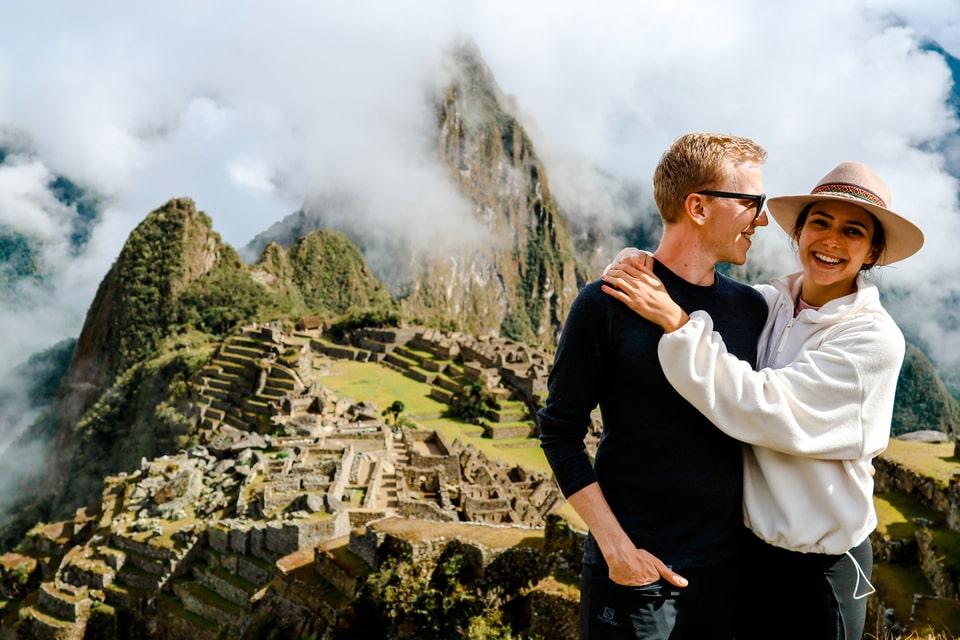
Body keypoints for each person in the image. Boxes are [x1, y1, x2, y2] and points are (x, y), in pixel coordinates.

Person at [600, 161, 923, 639]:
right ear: (799, 231)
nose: (831, 241)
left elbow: (763, 406)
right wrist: (637, 264)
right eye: (820, 222)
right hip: (750, 551)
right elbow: (698, 285)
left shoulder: (871, 340)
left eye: (852, 231)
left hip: (821, 566)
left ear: (872, 251)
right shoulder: (771, 304)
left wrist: (677, 324)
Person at [538, 132, 771, 639]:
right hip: (638, 575)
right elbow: (559, 431)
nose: (763, 220)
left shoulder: (753, 309)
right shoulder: (606, 303)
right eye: (753, 203)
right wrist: (617, 550)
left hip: (729, 572)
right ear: (698, 207)